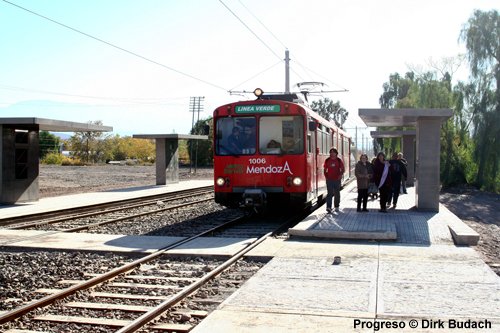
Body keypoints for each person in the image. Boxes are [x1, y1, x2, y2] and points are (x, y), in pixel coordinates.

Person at [324, 148, 345, 213]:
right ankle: (328, 207)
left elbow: (343, 169)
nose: (332, 154)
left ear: (336, 153)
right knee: (329, 193)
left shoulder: (339, 160)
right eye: (331, 152)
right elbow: (325, 169)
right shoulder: (327, 160)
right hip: (329, 180)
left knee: (337, 193)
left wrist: (340, 175)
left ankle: (336, 206)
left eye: (333, 152)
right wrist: (326, 176)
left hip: (337, 180)